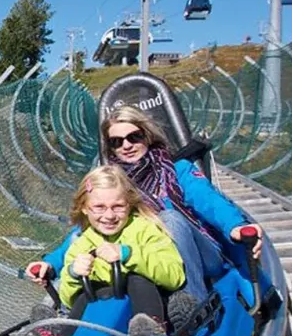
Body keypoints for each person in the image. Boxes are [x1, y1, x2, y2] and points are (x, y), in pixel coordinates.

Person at [100, 105, 260, 305]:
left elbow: (208, 200)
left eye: (134, 137)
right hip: (151, 257)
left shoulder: (177, 170)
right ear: (110, 148)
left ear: (146, 136)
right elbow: (89, 223)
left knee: (170, 218)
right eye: (117, 142)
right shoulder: (114, 184)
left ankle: (194, 302)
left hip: (201, 255)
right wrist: (53, 263)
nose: (127, 145)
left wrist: (235, 225)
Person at [23, 166, 185, 336]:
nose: (109, 215)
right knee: (85, 294)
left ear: (129, 205)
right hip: (102, 310)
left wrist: (128, 255)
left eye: (118, 207)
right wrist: (73, 274)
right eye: (99, 207)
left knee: (136, 280)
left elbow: (175, 276)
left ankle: (150, 329)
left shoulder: (146, 230)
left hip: (144, 303)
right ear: (84, 208)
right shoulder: (82, 243)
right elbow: (68, 299)